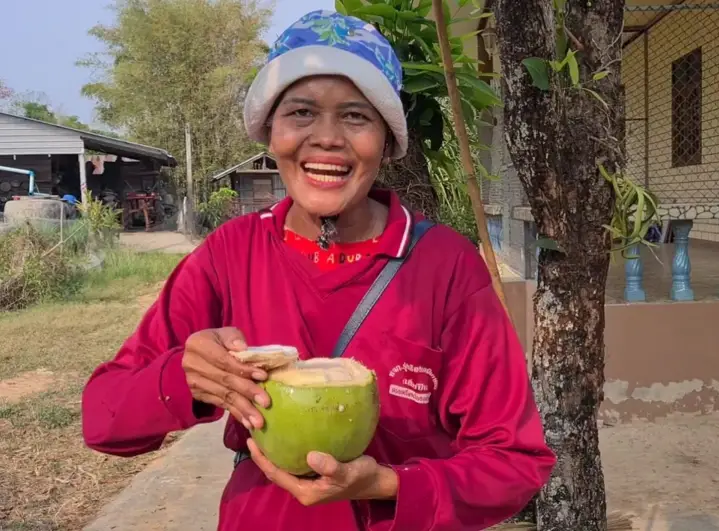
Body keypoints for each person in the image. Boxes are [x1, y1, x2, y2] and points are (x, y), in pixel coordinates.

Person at [81, 10, 555, 531]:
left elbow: (515, 463)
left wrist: (389, 486)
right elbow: (102, 418)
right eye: (301, 112)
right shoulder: (230, 254)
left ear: (388, 141)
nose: (327, 138)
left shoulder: (445, 266)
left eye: (356, 116)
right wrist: (184, 377)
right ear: (269, 132)